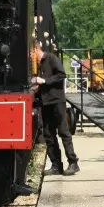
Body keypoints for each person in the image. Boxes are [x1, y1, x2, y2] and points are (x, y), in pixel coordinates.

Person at [33, 41, 79, 176]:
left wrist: (44, 81)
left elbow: (61, 75)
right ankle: (56, 165)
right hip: (45, 103)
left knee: (63, 131)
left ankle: (73, 162)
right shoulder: (39, 65)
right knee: (48, 134)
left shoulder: (51, 58)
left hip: (57, 101)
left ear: (36, 49)